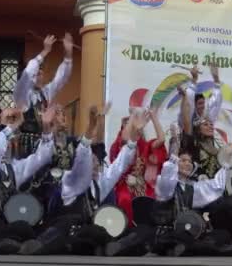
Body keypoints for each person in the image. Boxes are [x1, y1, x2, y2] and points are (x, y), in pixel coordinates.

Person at [20, 106, 141, 256]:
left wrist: (133, 141)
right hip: (65, 224)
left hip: (89, 232)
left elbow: (118, 165)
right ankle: (38, 245)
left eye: (97, 161)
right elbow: (83, 151)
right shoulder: (72, 181)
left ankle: (117, 246)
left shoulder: (100, 184)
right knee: (66, 226)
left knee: (120, 231)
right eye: (92, 161)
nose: (96, 163)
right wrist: (89, 128)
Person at [0, 107, 56, 254]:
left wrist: (46, 130)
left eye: (9, 140)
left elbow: (41, 157)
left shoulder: (12, 168)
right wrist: (12, 126)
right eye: (5, 139)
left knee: (28, 225)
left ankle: (19, 245)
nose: (8, 143)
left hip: (9, 228)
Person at [13, 32, 74, 158]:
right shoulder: (22, 95)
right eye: (35, 74)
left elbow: (61, 78)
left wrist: (68, 54)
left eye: (40, 73)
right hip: (27, 145)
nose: (37, 77)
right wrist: (45, 51)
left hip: (44, 141)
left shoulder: (46, 92)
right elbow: (27, 74)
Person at [109, 108, 166, 227]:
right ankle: (127, 230)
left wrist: (154, 117)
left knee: (153, 200)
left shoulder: (145, 146)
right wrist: (133, 117)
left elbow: (161, 139)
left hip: (142, 185)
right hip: (125, 184)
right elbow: (125, 138)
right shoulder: (121, 144)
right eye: (128, 124)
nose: (132, 126)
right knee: (125, 199)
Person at [177, 62, 222, 129]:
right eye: (200, 103)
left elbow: (216, 102)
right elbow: (188, 103)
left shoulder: (207, 116)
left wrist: (216, 79)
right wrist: (194, 79)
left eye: (203, 103)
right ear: (194, 105)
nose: (203, 106)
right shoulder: (187, 117)